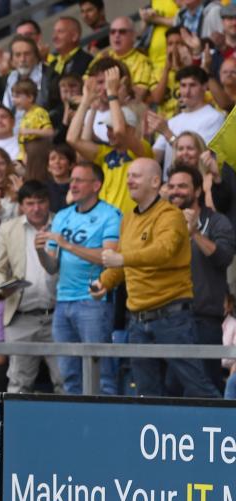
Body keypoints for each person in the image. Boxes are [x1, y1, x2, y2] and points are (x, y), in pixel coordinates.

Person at [93, 158, 220, 398]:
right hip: (138, 320)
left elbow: (164, 251)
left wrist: (121, 260)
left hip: (172, 317)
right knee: (146, 392)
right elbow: (123, 259)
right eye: (128, 175)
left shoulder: (170, 216)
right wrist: (105, 281)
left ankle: (225, 431)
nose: (129, 180)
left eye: (136, 176)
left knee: (197, 387)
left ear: (154, 181)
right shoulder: (128, 218)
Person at [35, 162, 121, 395]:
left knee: (102, 374)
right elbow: (52, 267)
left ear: (96, 185)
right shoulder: (62, 216)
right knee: (68, 374)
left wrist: (67, 245)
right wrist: (41, 251)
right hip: (63, 302)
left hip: (93, 302)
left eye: (79, 180)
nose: (72, 185)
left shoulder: (110, 214)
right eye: (72, 180)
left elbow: (108, 258)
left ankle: (105, 425)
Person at [165, 163, 235, 394]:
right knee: (170, 391)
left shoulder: (216, 221)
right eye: (172, 186)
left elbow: (224, 257)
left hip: (204, 320)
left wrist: (195, 233)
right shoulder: (162, 223)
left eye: (183, 186)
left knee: (205, 389)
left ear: (197, 191)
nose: (176, 191)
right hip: (168, 321)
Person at [0, 180, 63, 393]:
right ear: (21, 205)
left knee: (65, 380)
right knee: (19, 384)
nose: (36, 208)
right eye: (30, 203)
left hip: (58, 315)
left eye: (41, 202)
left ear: (48, 202)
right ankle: (15, 427)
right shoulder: (9, 228)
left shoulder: (62, 223)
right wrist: (2, 287)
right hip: (21, 316)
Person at [67, 65, 153, 214]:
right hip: (105, 224)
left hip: (131, 223)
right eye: (108, 128)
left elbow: (120, 132)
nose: (110, 132)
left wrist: (112, 94)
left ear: (131, 129)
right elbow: (72, 139)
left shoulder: (142, 151)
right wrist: (86, 100)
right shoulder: (104, 153)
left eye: (112, 127)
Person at [149, 66, 226, 179]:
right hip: (170, 185)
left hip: (198, 184)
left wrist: (167, 134)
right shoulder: (173, 121)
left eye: (192, 85)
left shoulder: (215, 117)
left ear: (205, 87)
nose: (186, 91)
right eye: (183, 85)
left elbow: (200, 155)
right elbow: (154, 157)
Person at [93, 17, 155, 102]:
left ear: (133, 35)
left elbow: (138, 95)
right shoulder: (101, 56)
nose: (116, 35)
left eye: (122, 32)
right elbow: (87, 83)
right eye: (113, 32)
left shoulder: (142, 61)